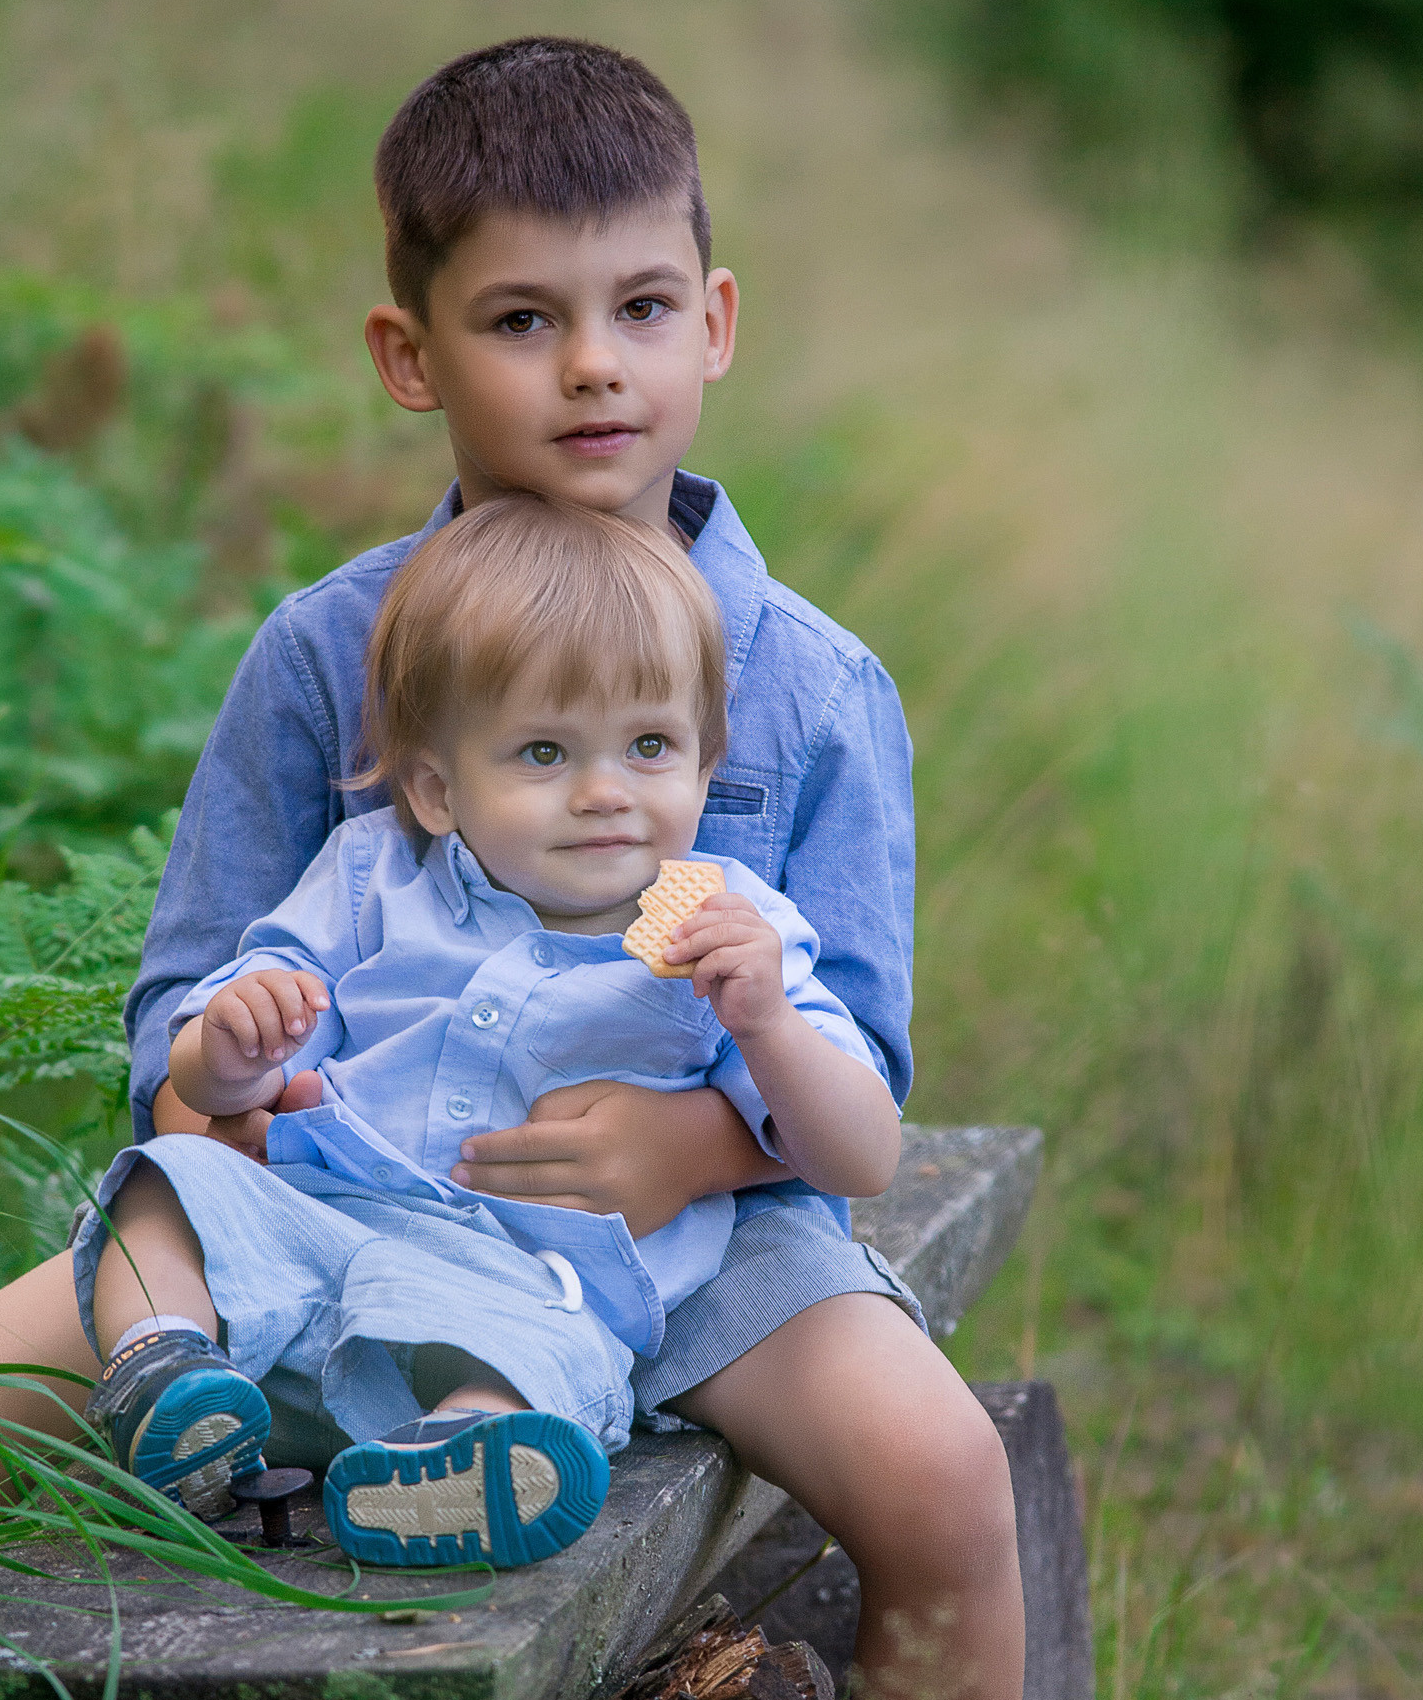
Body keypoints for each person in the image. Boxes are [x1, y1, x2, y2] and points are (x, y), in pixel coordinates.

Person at [0, 36, 1033, 1700]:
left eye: (639, 309)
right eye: (522, 319)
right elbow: (180, 1026)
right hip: (343, 1189)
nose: (591, 367)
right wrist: (225, 1072)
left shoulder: (809, 685)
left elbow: (854, 1068)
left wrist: (691, 1143)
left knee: (943, 1477)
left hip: (688, 1229)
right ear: (411, 356)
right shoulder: (329, 657)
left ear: (717, 325)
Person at [76, 496, 900, 1575]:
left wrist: (769, 1030)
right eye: (544, 752)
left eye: (650, 745)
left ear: (705, 766)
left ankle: (454, 1461)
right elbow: (217, 1049)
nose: (605, 793)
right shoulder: (374, 875)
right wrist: (229, 1050)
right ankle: (161, 1370)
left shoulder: (731, 934)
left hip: (532, 1281)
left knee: (533, 1356)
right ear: (433, 787)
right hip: (324, 1233)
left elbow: (863, 1156)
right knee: (163, 1177)